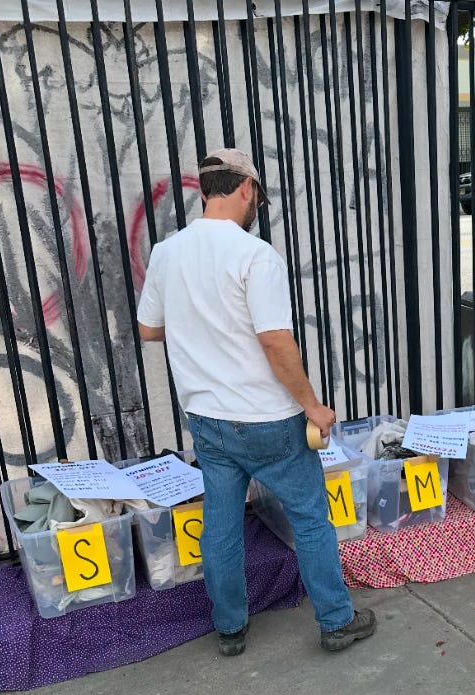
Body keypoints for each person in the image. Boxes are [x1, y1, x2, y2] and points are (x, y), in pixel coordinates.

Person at [136, 147, 375, 657]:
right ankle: (336, 620)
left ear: (206, 191)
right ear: (246, 187)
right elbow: (275, 342)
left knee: (222, 526)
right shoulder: (255, 255)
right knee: (309, 518)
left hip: (208, 419)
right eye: (257, 198)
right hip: (270, 421)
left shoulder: (166, 252)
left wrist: (198, 328)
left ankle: (229, 628)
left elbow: (149, 328)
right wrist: (314, 406)